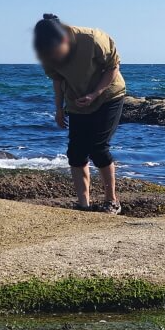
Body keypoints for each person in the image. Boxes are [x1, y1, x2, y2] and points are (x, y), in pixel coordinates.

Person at [33, 14, 126, 214]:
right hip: (77, 100)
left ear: (65, 39)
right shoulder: (47, 54)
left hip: (108, 95)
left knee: (98, 147)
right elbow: (57, 81)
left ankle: (112, 201)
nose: (55, 58)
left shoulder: (92, 39)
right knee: (76, 152)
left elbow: (113, 67)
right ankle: (84, 204)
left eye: (56, 51)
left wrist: (95, 94)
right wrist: (59, 109)